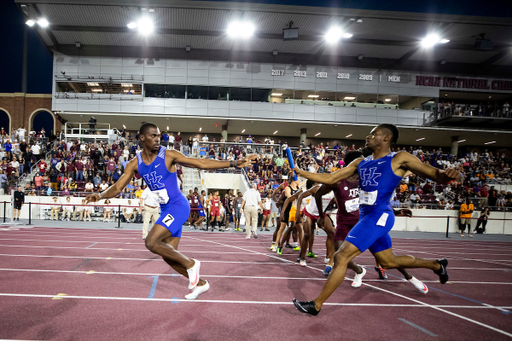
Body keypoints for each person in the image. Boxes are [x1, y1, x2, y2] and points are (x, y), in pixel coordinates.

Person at [292, 123, 457, 315]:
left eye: (373, 133)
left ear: (386, 138)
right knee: (388, 261)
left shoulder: (398, 158)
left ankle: (316, 305)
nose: (368, 136)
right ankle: (437, 265)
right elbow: (331, 178)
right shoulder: (360, 162)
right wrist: (304, 173)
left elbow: (434, 174)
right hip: (366, 215)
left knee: (341, 256)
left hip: (380, 215)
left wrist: (448, 175)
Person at [85, 122, 254, 300]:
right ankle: (201, 284)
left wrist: (233, 162)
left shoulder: (169, 155)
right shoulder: (135, 163)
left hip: (178, 206)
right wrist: (100, 195)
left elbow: (200, 163)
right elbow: (118, 187)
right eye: (153, 136)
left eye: (159, 136)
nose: (158, 139)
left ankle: (192, 264)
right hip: (166, 210)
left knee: (151, 242)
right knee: (169, 256)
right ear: (142, 138)